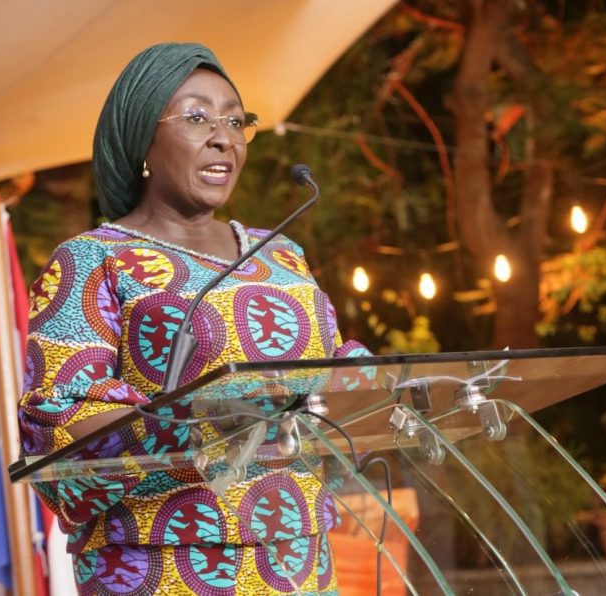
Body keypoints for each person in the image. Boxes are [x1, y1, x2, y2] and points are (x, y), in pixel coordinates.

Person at [19, 42, 369, 595]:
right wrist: (198, 419)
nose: (224, 137)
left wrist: (378, 387)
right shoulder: (92, 260)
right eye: (197, 118)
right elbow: (58, 422)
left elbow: (335, 380)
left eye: (235, 120)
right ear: (142, 139)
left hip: (297, 556)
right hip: (161, 562)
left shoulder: (282, 255)